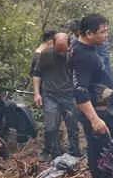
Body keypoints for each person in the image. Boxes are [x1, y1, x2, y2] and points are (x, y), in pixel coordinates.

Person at [71, 14, 113, 178]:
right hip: (96, 112)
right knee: (100, 150)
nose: (106, 35)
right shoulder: (83, 55)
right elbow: (80, 91)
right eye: (102, 32)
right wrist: (94, 119)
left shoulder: (88, 48)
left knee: (109, 145)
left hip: (103, 108)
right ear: (88, 33)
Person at [32, 32, 80, 160]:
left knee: (72, 124)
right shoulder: (45, 54)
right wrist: (37, 93)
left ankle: (75, 151)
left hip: (69, 95)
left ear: (69, 45)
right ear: (53, 44)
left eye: (63, 49)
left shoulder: (73, 55)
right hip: (50, 95)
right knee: (51, 126)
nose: (60, 52)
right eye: (58, 49)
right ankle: (54, 153)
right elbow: (37, 74)